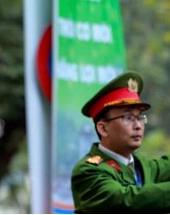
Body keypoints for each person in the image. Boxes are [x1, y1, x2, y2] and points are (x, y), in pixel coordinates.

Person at [71, 70, 170, 213]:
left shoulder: (141, 165)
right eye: (128, 118)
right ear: (103, 128)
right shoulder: (88, 172)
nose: (137, 125)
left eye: (140, 117)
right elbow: (126, 200)